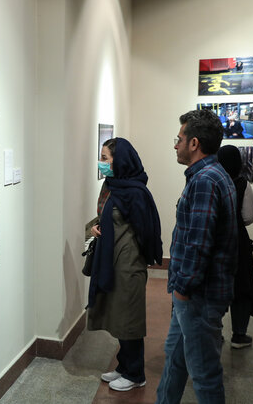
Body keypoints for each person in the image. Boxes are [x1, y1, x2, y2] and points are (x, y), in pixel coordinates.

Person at [156, 110, 238, 404]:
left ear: (193, 143)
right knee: (174, 361)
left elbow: (198, 244)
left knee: (204, 374)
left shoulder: (205, 180)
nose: (175, 145)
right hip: (193, 296)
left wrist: (182, 288)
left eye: (178, 139)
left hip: (197, 297)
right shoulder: (212, 175)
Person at [87, 137, 163, 392]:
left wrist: (136, 259)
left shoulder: (136, 192)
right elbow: (105, 216)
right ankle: (123, 366)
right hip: (112, 259)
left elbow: (147, 230)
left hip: (128, 264)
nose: (102, 162)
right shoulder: (111, 186)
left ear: (120, 160)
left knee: (129, 318)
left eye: (105, 158)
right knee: (118, 315)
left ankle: (135, 373)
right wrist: (96, 228)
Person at [217, 145, 253, 349]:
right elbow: (249, 216)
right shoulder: (243, 184)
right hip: (238, 242)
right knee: (241, 286)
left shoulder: (213, 181)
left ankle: (214, 332)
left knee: (215, 287)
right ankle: (239, 335)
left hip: (215, 241)